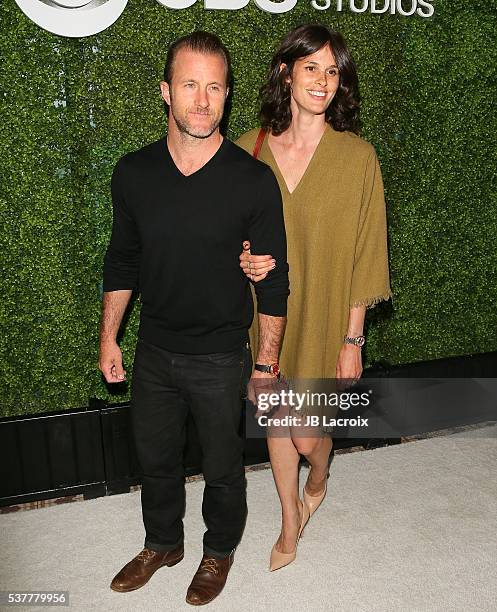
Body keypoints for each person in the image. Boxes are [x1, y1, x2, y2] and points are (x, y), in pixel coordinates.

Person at [99, 31, 289, 605]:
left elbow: (275, 277)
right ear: (166, 92)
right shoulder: (133, 174)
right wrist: (109, 337)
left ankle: (219, 550)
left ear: (227, 96)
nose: (202, 101)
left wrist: (265, 363)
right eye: (189, 85)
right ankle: (163, 542)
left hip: (219, 354)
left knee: (223, 468)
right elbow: (122, 257)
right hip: (154, 349)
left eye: (214, 88)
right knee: (155, 461)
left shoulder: (252, 181)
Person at [236, 24, 392, 570]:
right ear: (286, 72)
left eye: (333, 71)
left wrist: (354, 336)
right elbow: (224, 235)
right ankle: (287, 521)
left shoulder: (357, 158)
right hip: (269, 313)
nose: (323, 81)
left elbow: (365, 252)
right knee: (278, 420)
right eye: (311, 68)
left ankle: (320, 478)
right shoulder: (246, 152)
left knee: (308, 438)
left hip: (328, 313)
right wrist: (242, 257)